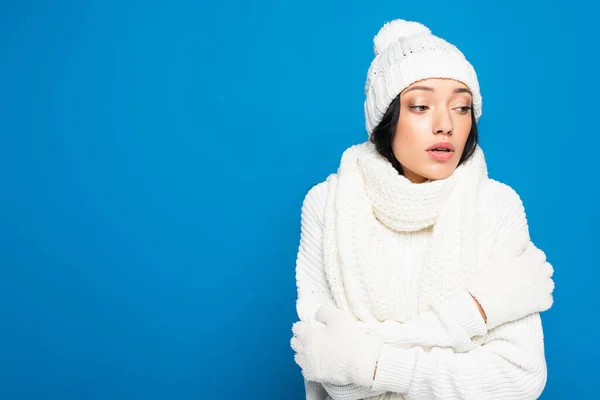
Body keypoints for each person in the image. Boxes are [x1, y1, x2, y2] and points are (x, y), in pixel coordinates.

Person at [289, 19, 555, 400]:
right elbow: (333, 374)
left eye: (462, 107)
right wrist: (475, 313)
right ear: (386, 118)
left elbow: (516, 379)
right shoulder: (328, 205)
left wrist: (370, 362)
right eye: (420, 105)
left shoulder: (496, 207)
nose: (445, 124)